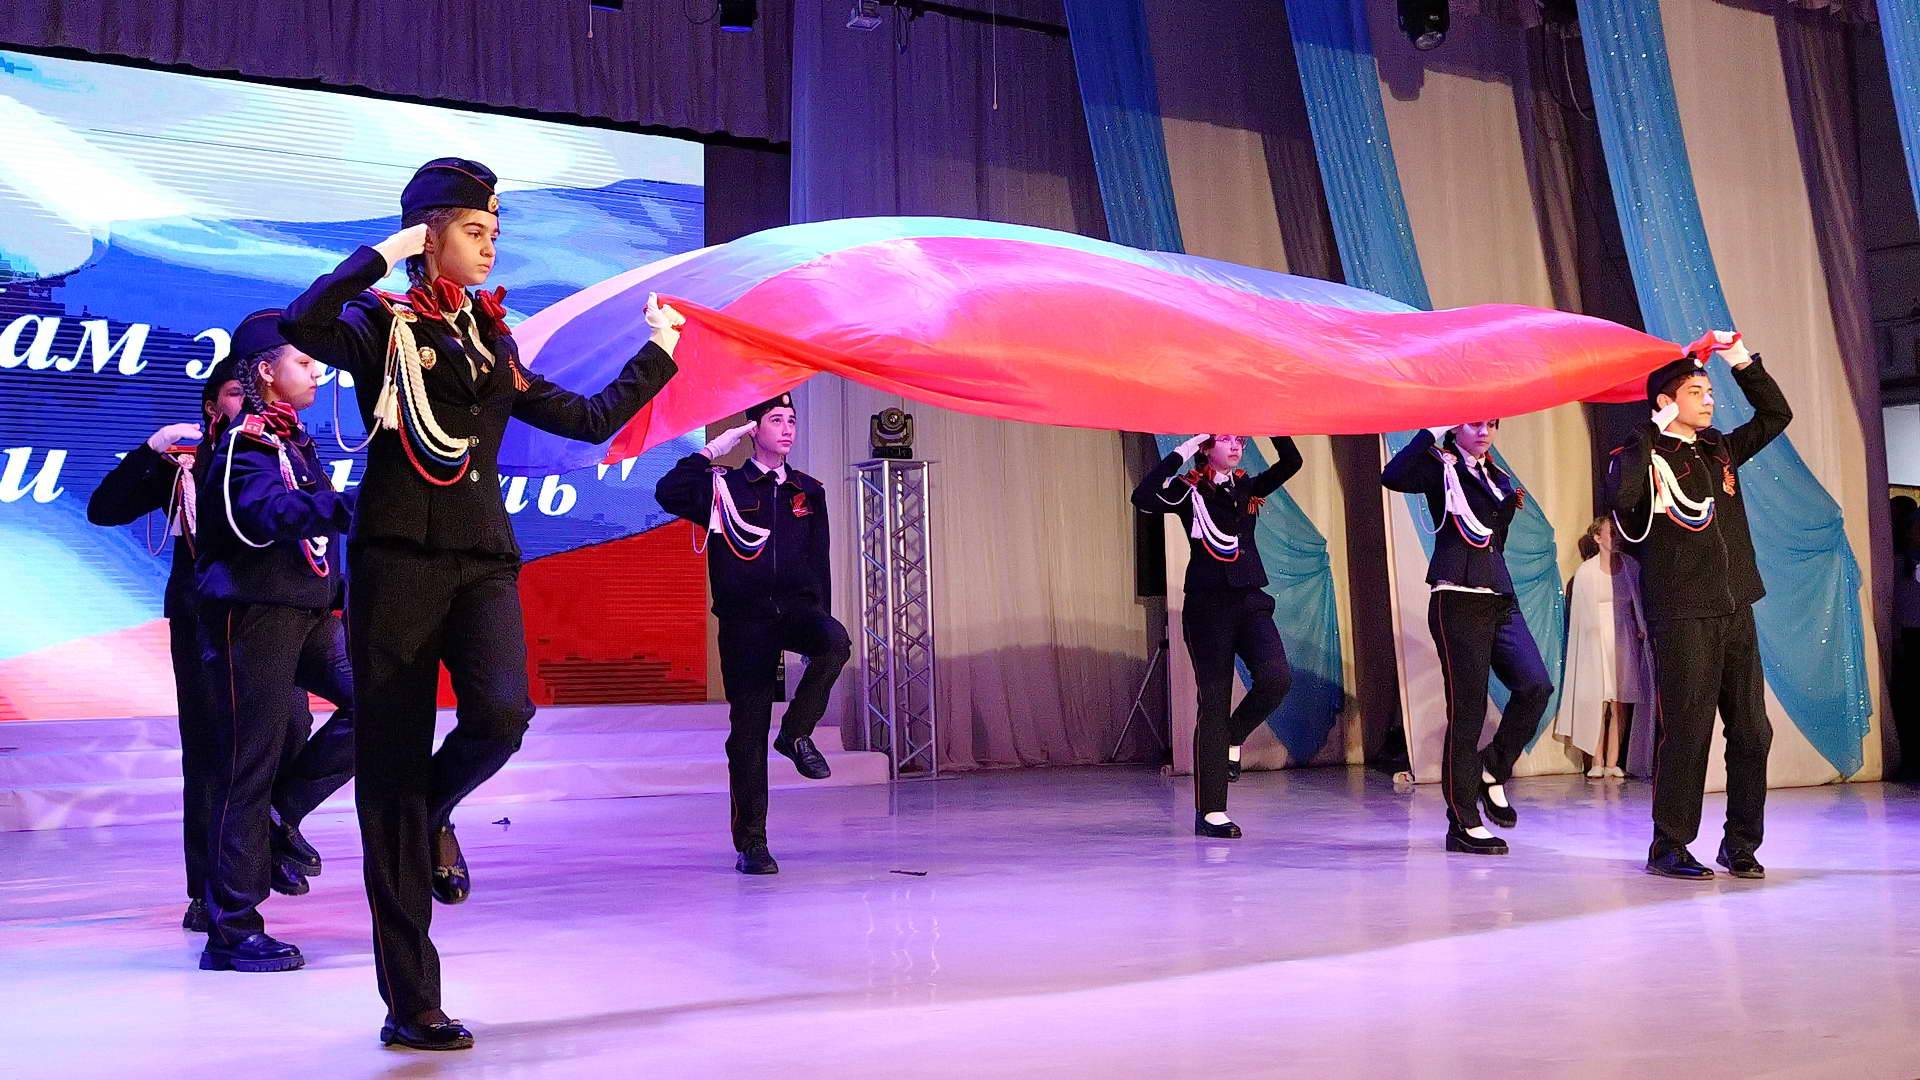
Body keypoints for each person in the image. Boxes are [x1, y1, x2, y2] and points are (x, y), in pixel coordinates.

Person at [280, 157, 682, 1050]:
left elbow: (585, 418)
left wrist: (659, 350)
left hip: (481, 556)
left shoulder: (491, 339)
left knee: (502, 713)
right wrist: (380, 257)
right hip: (396, 562)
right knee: (388, 769)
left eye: (495, 231)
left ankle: (431, 811)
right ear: (429, 235)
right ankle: (410, 1001)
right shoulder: (378, 322)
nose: (491, 244)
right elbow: (301, 322)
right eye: (474, 229)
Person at [193, 310, 358, 972]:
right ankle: (231, 931)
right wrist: (347, 504)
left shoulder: (294, 440)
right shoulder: (246, 442)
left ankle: (281, 815)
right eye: (303, 361)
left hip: (309, 613)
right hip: (255, 613)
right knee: (248, 766)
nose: (318, 371)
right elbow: (258, 516)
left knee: (379, 705)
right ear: (265, 371)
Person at [1606, 331, 1790, 881]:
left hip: (1736, 606)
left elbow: (1776, 415)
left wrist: (1742, 362)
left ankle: (1740, 844)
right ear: (1667, 402)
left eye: (1710, 391)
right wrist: (1650, 433)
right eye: (1696, 392)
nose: (1709, 400)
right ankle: (1669, 845)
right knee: (1687, 730)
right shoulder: (1639, 454)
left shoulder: (1718, 450)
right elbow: (1621, 500)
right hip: (1683, 610)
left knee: (1753, 731)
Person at [655, 393, 849, 875]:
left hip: (796, 610)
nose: (787, 429)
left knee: (835, 641)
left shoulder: (808, 490)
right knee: (748, 732)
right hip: (746, 621)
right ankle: (753, 843)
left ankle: (796, 733)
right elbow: (667, 490)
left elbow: (818, 561)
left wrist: (820, 614)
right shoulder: (725, 487)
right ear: (754, 429)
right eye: (775, 420)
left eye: (792, 420)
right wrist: (714, 449)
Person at [86, 357, 245, 933]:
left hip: (273, 619)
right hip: (202, 619)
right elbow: (104, 510)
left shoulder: (285, 454)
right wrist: (151, 452)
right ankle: (208, 890)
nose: (247, 401)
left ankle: (272, 832)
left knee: (284, 731)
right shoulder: (186, 464)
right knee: (206, 753)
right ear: (211, 407)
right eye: (236, 392)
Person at [1382, 420, 1553, 856]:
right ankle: (1462, 822)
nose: (1484, 431)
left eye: (1491, 423)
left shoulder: (1496, 476)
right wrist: (1429, 431)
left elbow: (1496, 538)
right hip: (1457, 597)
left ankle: (1492, 768)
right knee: (1467, 711)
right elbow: (1392, 476)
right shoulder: (1440, 466)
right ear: (1456, 426)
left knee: (1536, 685)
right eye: (1474, 423)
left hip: (1498, 594)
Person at [1131, 434, 1299, 839]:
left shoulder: (1247, 487)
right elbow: (1143, 496)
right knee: (1214, 704)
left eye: (1240, 439)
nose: (1236, 446)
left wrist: (1272, 426)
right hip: (1208, 607)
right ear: (1207, 448)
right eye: (1225, 439)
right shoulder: (1188, 491)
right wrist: (1181, 451)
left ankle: (1234, 736)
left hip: (1251, 600)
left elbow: (1291, 462)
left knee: (1276, 678)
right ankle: (1211, 811)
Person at [1554, 516, 1655, 779]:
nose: (1616, 538)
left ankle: (1613, 761)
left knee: (1619, 703)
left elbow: (1638, 604)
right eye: (1611, 533)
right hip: (1595, 642)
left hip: (1623, 640)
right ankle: (1596, 760)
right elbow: (1580, 617)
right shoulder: (1586, 573)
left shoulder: (1630, 567)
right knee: (1597, 701)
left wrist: (1641, 629)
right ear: (1598, 538)